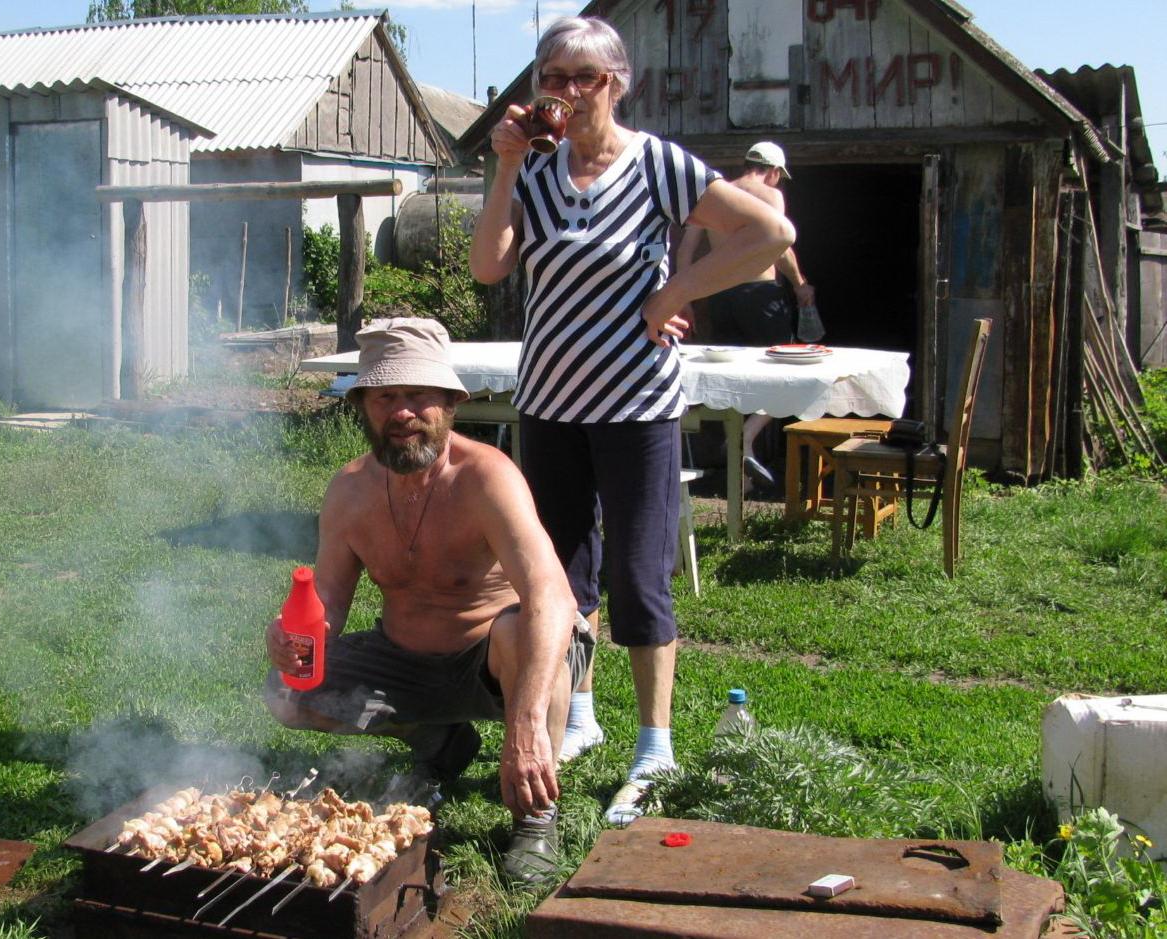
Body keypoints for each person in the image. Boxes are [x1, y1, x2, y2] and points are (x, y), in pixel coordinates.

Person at [468, 17, 795, 825]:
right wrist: (504, 167)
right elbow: (488, 266)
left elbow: (768, 232)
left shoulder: (656, 164)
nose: (568, 92)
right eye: (553, 76)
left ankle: (655, 744)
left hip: (637, 405)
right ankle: (577, 715)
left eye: (584, 76)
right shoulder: (535, 173)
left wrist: (674, 294)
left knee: (639, 580)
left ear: (617, 82)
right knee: (558, 577)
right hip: (547, 403)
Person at [264, 317, 595, 884]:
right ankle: (436, 736)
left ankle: (537, 819)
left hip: (499, 660)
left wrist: (527, 726)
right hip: (406, 660)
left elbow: (553, 597)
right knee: (285, 695)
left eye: (418, 396)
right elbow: (329, 602)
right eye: (386, 396)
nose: (402, 412)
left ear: (448, 403)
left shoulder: (487, 478)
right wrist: (295, 634)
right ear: (363, 405)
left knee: (527, 629)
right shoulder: (349, 490)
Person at [674, 141, 816, 490]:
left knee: (731, 378)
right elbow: (780, 244)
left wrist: (685, 298)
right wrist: (800, 284)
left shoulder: (714, 194)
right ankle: (747, 437)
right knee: (789, 369)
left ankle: (740, 474)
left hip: (720, 296)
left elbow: (685, 251)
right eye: (778, 178)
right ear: (772, 171)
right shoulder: (769, 196)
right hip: (759, 293)